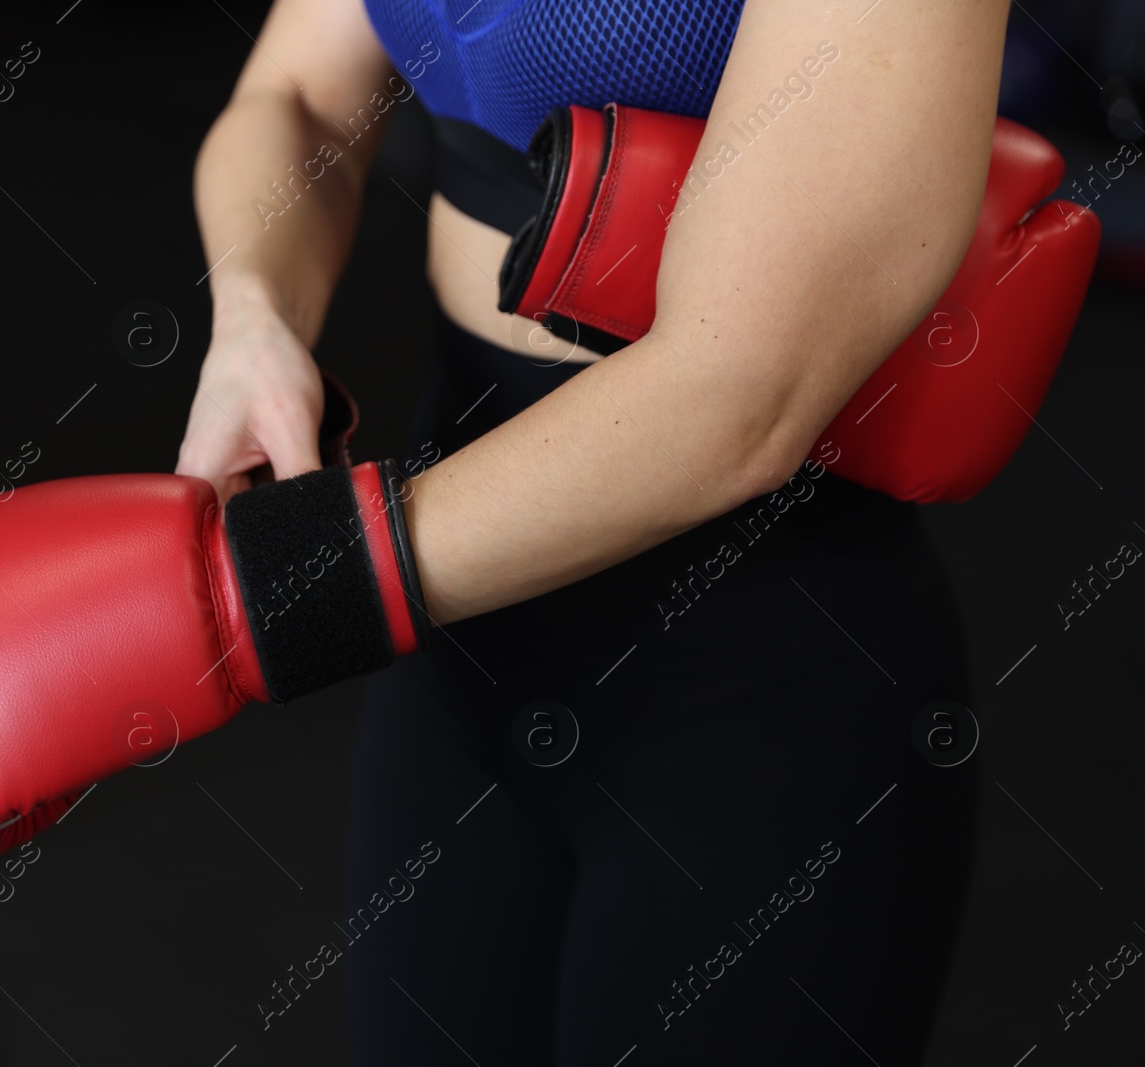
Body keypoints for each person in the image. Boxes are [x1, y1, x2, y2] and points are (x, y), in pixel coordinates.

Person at [174, 1, 1009, 1063]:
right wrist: (254, 318)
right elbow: (292, 97)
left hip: (756, 683)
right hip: (454, 647)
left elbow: (737, 400)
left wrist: (287, 592)